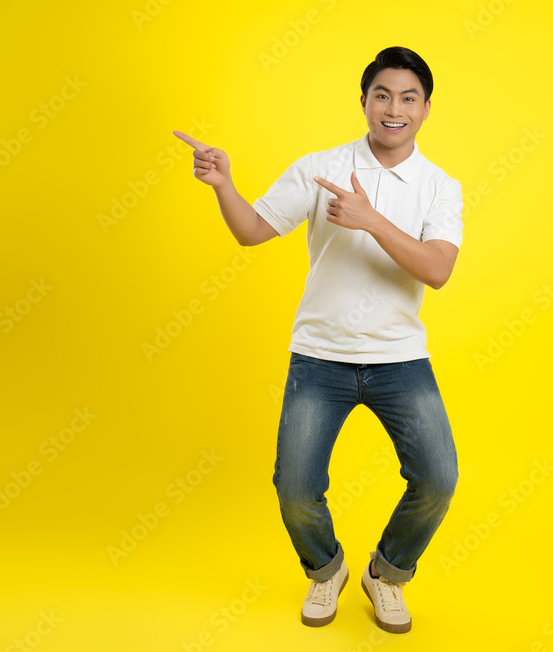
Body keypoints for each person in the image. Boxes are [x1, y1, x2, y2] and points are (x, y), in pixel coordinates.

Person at [173, 46, 462, 634]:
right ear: (364, 102)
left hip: (398, 358)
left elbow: (437, 269)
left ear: (427, 109)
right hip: (320, 356)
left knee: (438, 478)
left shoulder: (439, 186)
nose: (394, 108)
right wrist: (224, 185)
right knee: (296, 487)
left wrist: (370, 219)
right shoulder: (320, 167)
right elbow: (253, 231)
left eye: (409, 98)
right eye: (382, 95)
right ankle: (326, 569)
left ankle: (386, 574)